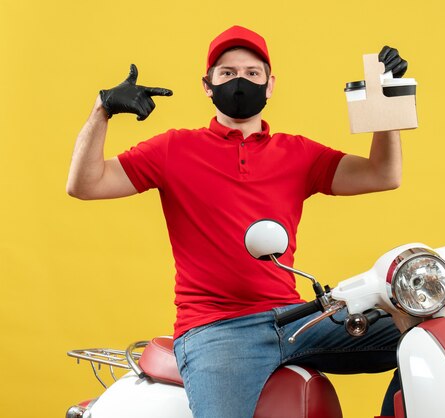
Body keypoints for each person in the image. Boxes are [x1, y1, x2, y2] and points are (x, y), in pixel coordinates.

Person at [67, 25, 410, 418]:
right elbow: (85, 184)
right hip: (217, 330)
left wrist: (387, 101)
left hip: (296, 319)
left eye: (251, 72)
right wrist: (102, 110)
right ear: (207, 85)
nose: (240, 81)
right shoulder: (173, 149)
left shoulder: (297, 153)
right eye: (227, 73)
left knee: (423, 336)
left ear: (270, 84)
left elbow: (383, 174)